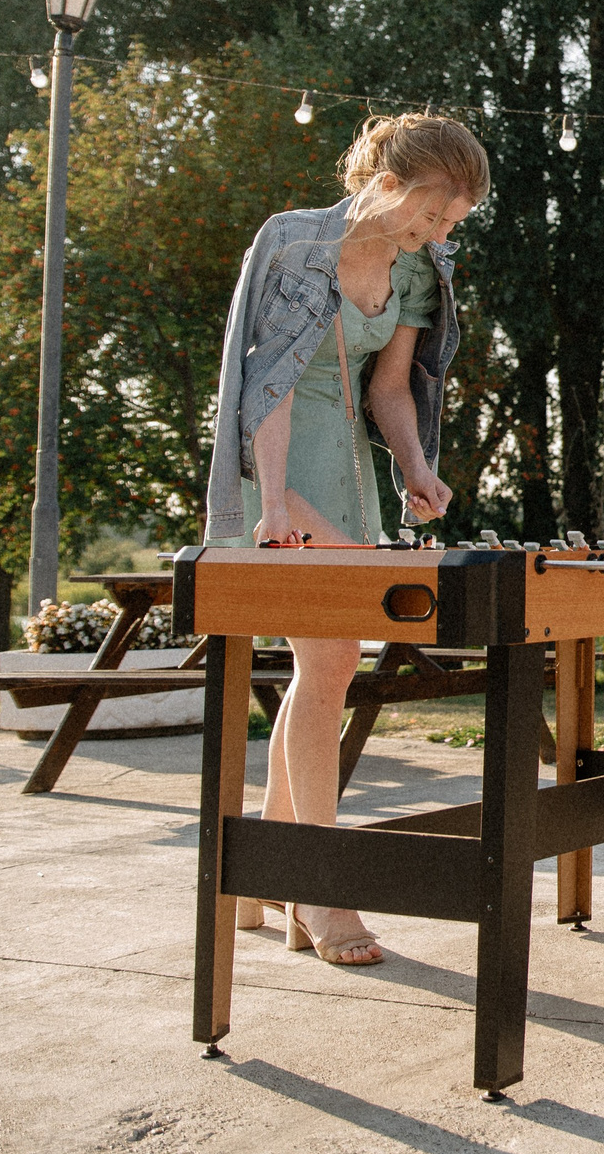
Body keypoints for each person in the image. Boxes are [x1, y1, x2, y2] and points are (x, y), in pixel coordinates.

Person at [203, 112, 488, 965]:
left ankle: (269, 870)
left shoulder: (417, 268)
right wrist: (274, 505)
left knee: (324, 668)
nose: (440, 234)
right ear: (390, 182)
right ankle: (319, 890)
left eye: (453, 223)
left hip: (351, 473)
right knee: (330, 661)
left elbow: (390, 388)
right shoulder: (294, 245)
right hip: (277, 462)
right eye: (434, 214)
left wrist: (416, 469)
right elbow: (270, 383)